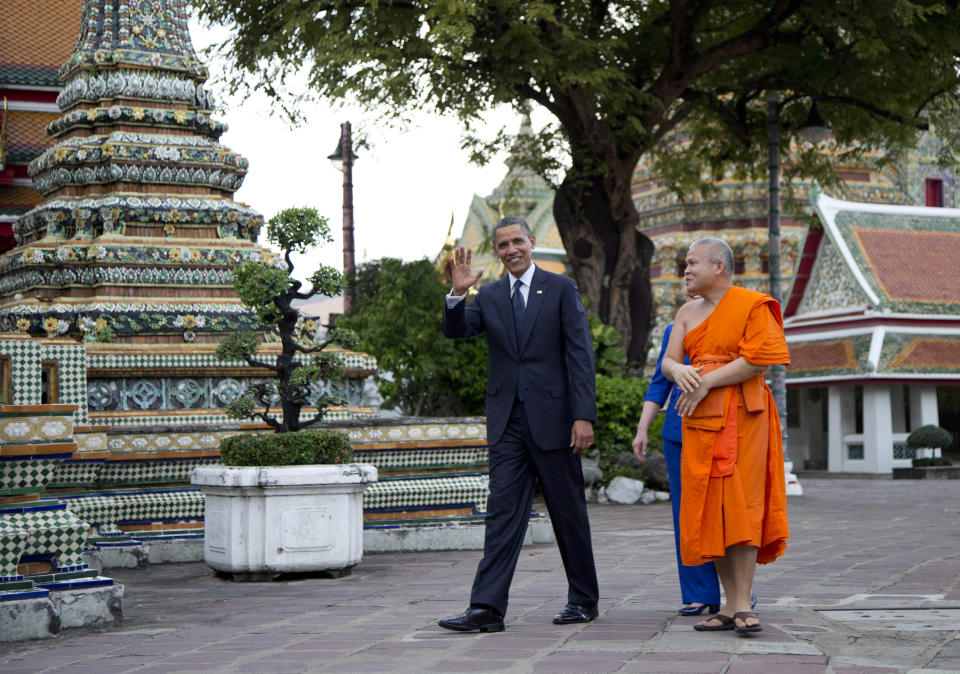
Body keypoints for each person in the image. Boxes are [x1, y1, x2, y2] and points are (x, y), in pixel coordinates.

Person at [437, 216, 600, 633]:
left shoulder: (560, 288)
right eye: (502, 245)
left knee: (568, 513)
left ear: (531, 242)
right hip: (507, 421)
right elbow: (457, 331)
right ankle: (487, 609)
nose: (511, 249)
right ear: (496, 252)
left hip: (556, 420)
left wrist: (583, 415)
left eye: (517, 242)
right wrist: (458, 293)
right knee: (502, 513)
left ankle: (583, 600)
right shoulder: (488, 296)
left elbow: (580, 354)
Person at [660, 237, 790, 635]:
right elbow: (668, 359)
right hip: (700, 419)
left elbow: (759, 359)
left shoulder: (751, 305)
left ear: (719, 266)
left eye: (693, 262)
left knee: (743, 505)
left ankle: (742, 602)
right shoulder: (685, 312)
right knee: (708, 508)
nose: (686, 270)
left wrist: (705, 381)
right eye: (685, 263)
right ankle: (728, 602)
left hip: (746, 416)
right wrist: (678, 372)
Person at [633, 313, 721, 616]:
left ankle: (738, 591)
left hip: (722, 429)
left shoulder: (734, 321)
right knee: (686, 513)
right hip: (679, 433)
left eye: (694, 266)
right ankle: (698, 593)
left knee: (725, 510)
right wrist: (643, 428)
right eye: (686, 270)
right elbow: (660, 382)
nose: (688, 278)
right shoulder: (676, 328)